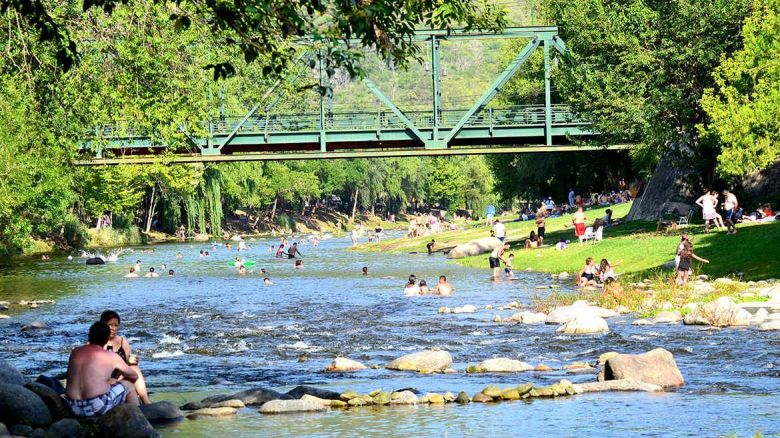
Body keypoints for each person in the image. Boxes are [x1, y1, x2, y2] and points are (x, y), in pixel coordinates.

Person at [64, 321, 139, 417]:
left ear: (89, 335)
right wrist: (114, 381)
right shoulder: (111, 356)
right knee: (128, 385)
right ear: (107, 339)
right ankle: (138, 419)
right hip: (96, 406)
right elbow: (134, 375)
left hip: (72, 406)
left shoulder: (75, 352)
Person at [99, 311, 151, 405]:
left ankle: (145, 400)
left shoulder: (123, 342)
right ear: (103, 325)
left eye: (116, 325)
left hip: (120, 375)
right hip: (104, 378)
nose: (113, 328)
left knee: (135, 368)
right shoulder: (97, 342)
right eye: (110, 325)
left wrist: (131, 361)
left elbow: (127, 365)